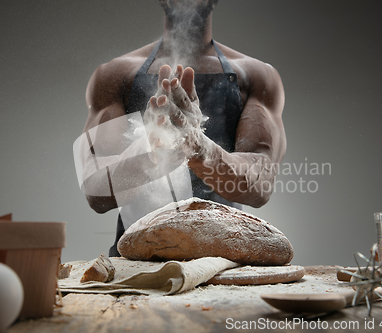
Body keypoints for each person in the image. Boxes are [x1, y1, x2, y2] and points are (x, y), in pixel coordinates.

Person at [80, 0, 286, 256]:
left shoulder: (256, 75)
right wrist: (151, 152)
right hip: (135, 263)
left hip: (222, 261)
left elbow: (262, 183)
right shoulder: (114, 74)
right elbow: (96, 193)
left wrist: (200, 149)